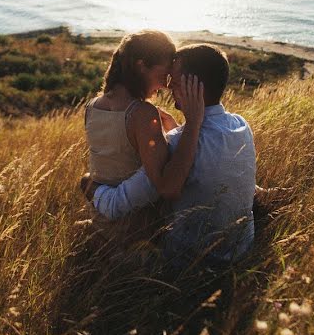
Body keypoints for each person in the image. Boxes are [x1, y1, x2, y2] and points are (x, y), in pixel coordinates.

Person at [89, 44, 257, 267]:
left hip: (190, 262)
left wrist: (90, 186)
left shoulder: (176, 143)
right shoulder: (240, 125)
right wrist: (181, 127)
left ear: (196, 88)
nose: (168, 89)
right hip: (241, 249)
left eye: (175, 83)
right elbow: (205, 157)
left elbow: (116, 204)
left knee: (107, 250)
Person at [82, 30, 205, 239]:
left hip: (101, 223)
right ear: (141, 66)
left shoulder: (92, 106)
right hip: (136, 232)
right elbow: (166, 184)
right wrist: (187, 128)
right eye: (164, 73)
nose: (167, 84)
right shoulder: (142, 113)